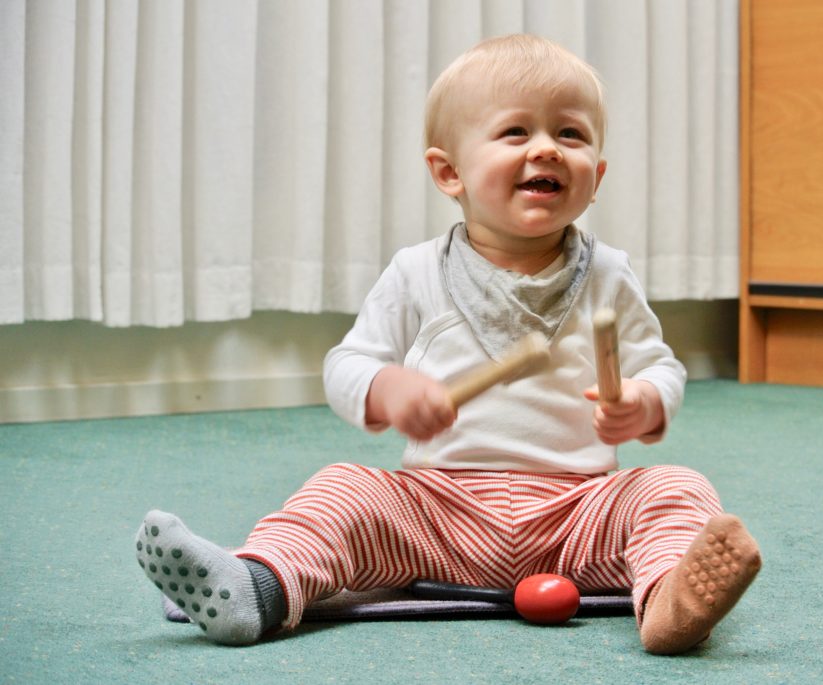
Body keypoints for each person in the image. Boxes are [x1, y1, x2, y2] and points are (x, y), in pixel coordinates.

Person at [136, 34, 761, 654]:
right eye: (515, 132)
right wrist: (388, 388)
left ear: (595, 176)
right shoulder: (415, 271)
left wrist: (645, 403)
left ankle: (671, 604)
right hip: (436, 514)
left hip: (579, 514)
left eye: (570, 134)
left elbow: (659, 366)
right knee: (344, 489)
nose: (546, 147)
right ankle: (258, 588)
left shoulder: (609, 273)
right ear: (448, 172)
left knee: (675, 488)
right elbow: (347, 364)